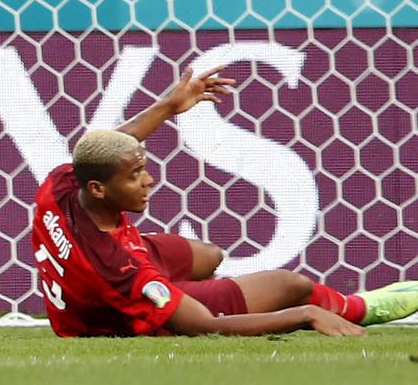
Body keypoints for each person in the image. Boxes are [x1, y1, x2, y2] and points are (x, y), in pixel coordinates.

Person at [32, 66, 418, 337]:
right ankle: (356, 308)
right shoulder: (119, 270)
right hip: (110, 312)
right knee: (290, 285)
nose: (149, 180)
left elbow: (110, 147)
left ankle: (213, 300)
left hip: (94, 282)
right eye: (135, 175)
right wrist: (303, 316)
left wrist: (169, 105)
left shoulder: (63, 184)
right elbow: (205, 328)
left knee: (209, 256)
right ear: (98, 188)